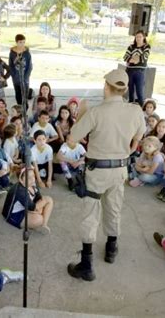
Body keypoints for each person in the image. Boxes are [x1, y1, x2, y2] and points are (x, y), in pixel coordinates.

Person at [67, 69, 145, 281]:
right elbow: (139, 136)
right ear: (125, 89)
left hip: (97, 171)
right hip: (120, 170)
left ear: (106, 87)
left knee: (91, 213)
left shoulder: (96, 112)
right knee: (114, 207)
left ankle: (87, 264)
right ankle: (111, 248)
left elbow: (72, 140)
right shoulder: (135, 111)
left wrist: (80, 115)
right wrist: (128, 150)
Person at [2, 168, 53, 233]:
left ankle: (44, 224)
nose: (33, 179)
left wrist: (39, 205)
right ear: (21, 179)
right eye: (29, 178)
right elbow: (33, 207)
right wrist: (36, 209)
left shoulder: (32, 184)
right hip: (15, 215)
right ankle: (38, 221)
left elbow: (39, 198)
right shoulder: (20, 191)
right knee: (39, 219)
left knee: (49, 199)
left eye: (33, 176)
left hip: (28, 207)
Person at [123, 30, 151, 106]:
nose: (138, 38)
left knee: (139, 92)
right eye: (137, 37)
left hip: (140, 71)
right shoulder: (131, 46)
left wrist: (134, 59)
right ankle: (130, 108)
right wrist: (134, 59)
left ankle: (141, 110)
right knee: (131, 91)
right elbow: (125, 57)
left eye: (140, 37)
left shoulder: (146, 46)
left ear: (143, 37)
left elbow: (144, 57)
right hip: (130, 71)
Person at [9, 34, 32, 106]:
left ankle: (24, 112)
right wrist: (13, 75)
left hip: (25, 79)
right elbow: (11, 65)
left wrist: (26, 77)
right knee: (18, 95)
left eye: (23, 42)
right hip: (16, 78)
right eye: (20, 42)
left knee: (25, 97)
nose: (22, 44)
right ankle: (19, 111)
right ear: (16, 42)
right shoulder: (12, 53)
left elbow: (30, 66)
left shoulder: (27, 53)